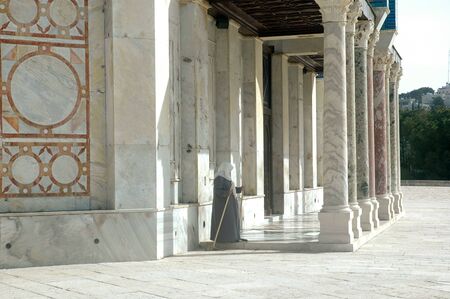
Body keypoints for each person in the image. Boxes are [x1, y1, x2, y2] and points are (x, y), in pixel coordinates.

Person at [210, 162, 241, 243]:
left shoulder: (227, 178)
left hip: (230, 204)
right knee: (226, 221)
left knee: (231, 221)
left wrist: (239, 189)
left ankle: (233, 237)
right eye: (229, 170)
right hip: (223, 205)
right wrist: (227, 193)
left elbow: (231, 189)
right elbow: (218, 191)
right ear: (225, 169)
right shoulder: (219, 178)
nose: (230, 172)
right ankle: (223, 239)